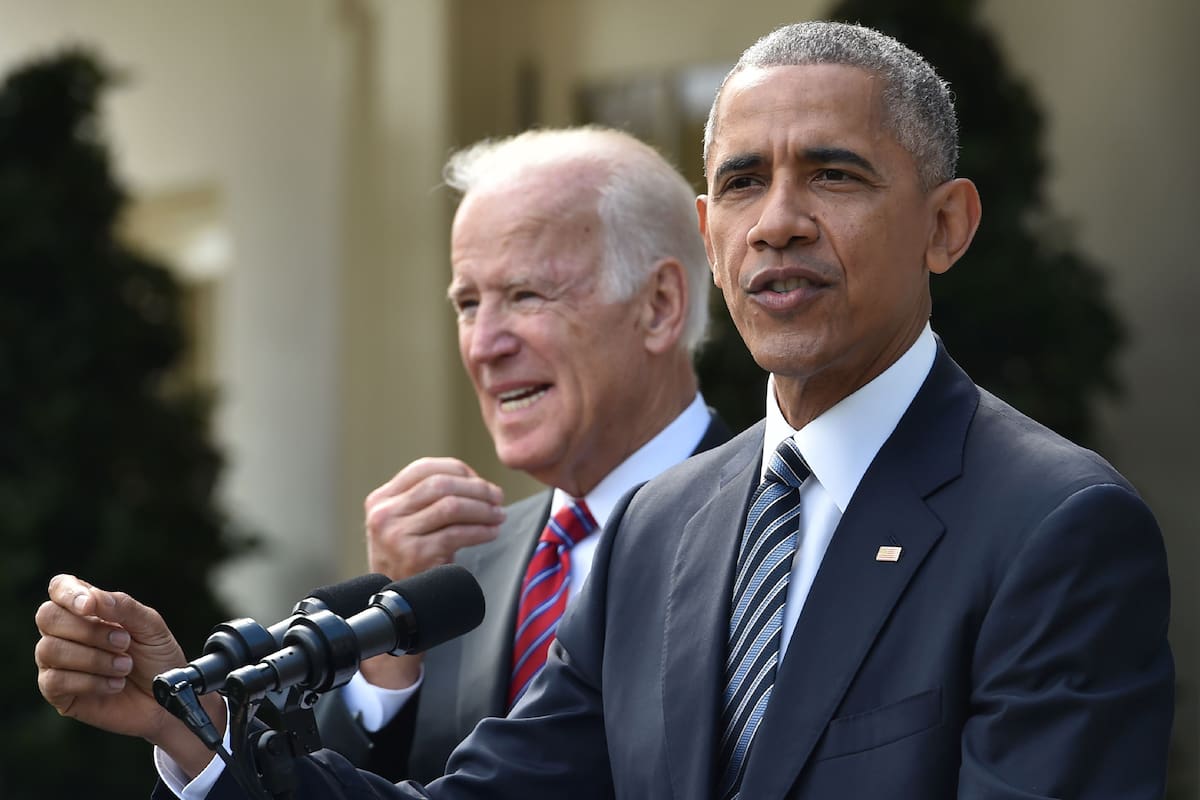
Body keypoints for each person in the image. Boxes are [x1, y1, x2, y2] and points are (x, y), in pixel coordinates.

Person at [35, 21, 1173, 800]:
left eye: (832, 174)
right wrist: (195, 725)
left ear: (947, 225)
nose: (777, 221)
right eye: (739, 182)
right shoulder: (656, 531)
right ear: (709, 232)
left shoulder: (1055, 523)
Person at [314, 127, 731, 782]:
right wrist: (389, 651)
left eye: (525, 295)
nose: (484, 345)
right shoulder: (452, 572)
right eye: (468, 303)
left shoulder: (776, 531)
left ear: (659, 306)